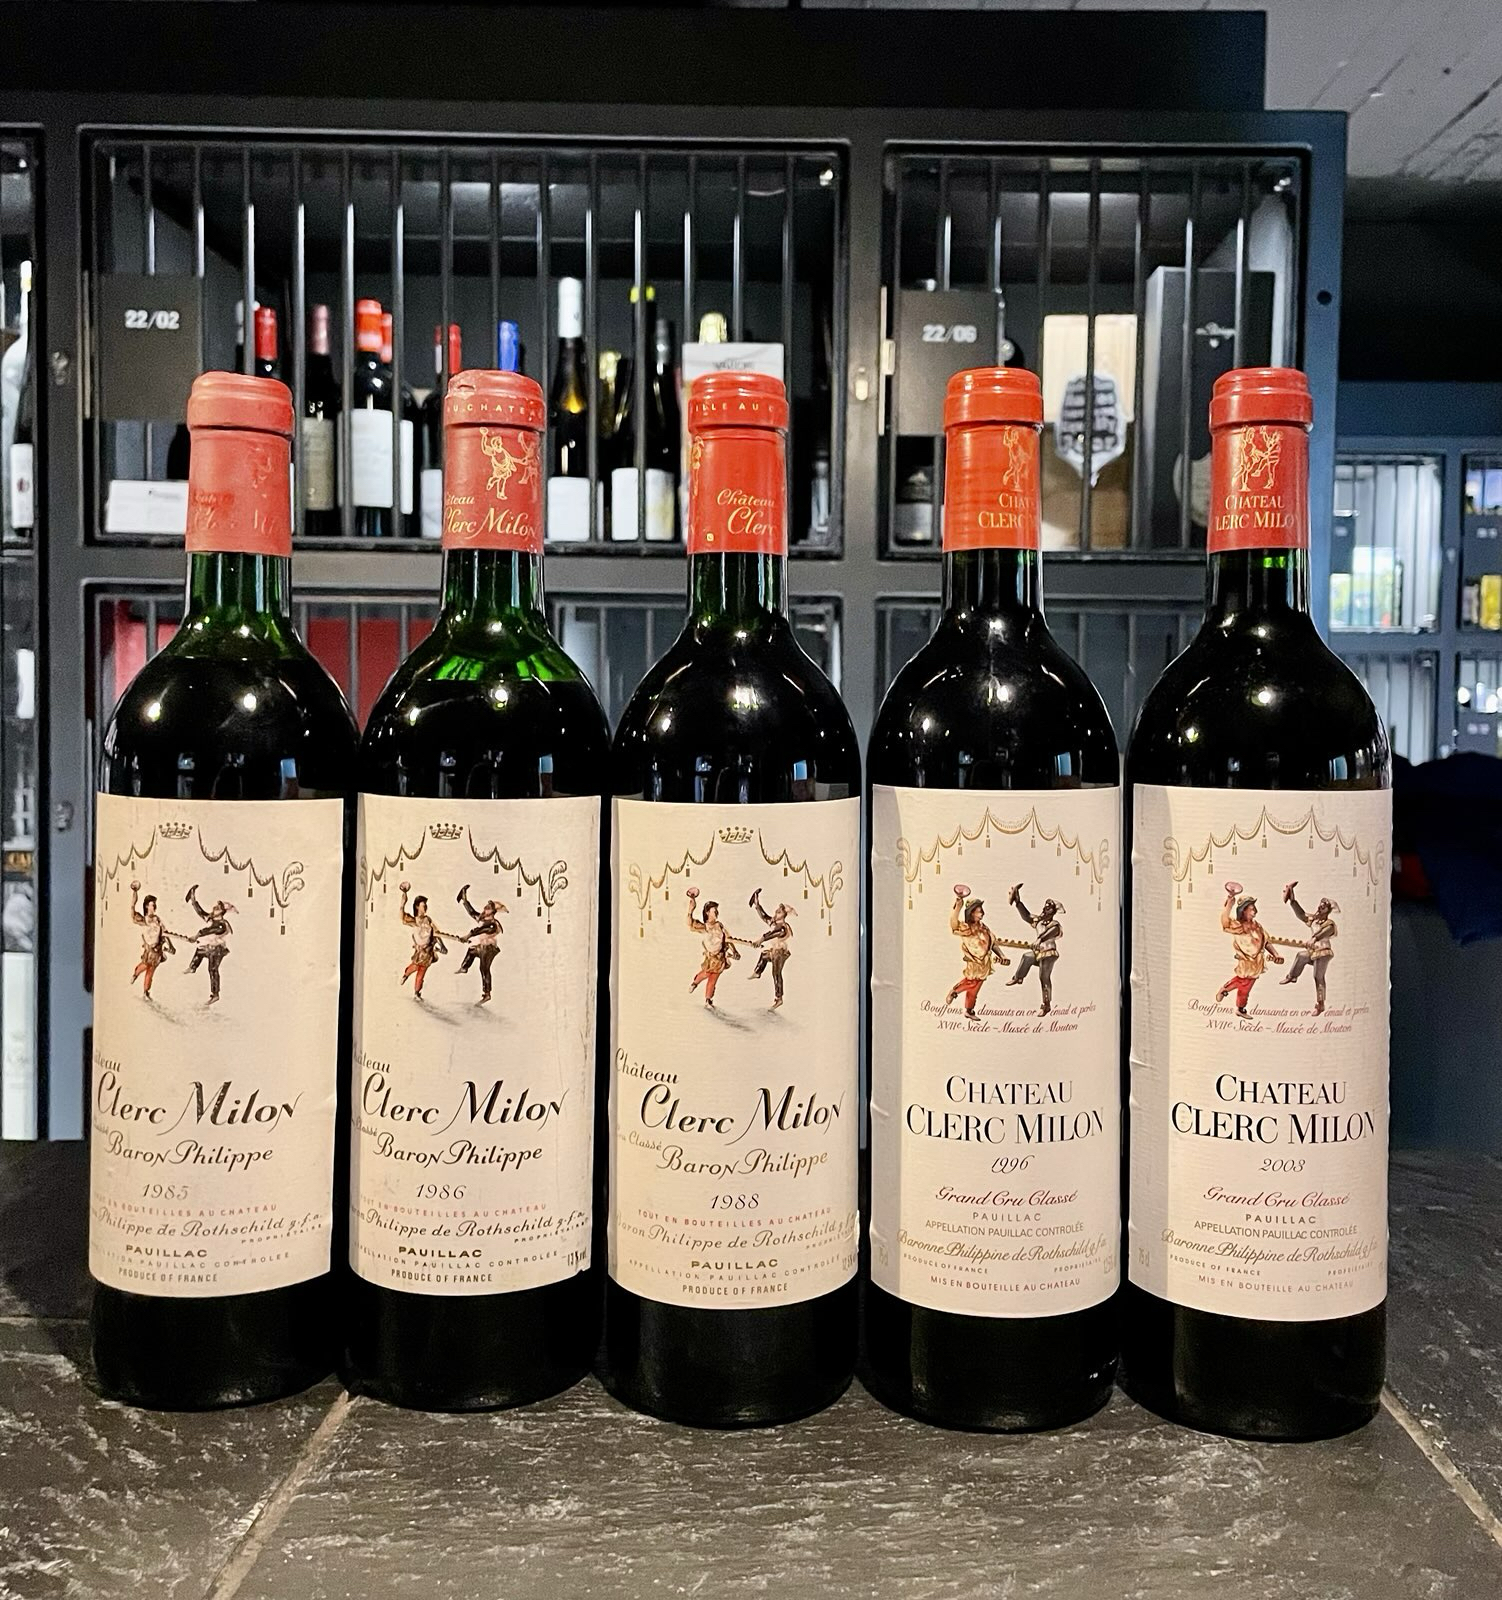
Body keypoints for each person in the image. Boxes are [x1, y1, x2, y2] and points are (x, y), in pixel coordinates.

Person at [1216, 885, 1283, 1017]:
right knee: (1245, 985)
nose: (1255, 911)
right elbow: (1225, 923)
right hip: (1246, 962)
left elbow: (1266, 942)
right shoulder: (1239, 926)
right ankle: (1239, 1007)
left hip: (1257, 963)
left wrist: (1275, 954)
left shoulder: (1257, 926)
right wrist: (1229, 905)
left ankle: (1227, 992)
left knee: (1243, 982)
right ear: (1243, 911)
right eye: (1251, 909)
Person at [945, 890, 1009, 1018]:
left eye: (982, 911)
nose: (982, 914)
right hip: (974, 962)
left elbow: (993, 944)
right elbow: (954, 925)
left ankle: (969, 1011)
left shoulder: (983, 927)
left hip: (985, 963)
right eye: (979, 911)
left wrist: (1002, 956)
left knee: (975, 989)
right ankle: (954, 991)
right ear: (971, 912)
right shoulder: (966, 928)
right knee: (971, 982)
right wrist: (957, 908)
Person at [1280, 880, 1339, 1015]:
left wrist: (1314, 939)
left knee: (1318, 977)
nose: (1319, 908)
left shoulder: (1329, 924)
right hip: (1313, 951)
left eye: (1323, 907)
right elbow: (1301, 914)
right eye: (1320, 906)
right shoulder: (1314, 920)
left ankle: (1320, 1004)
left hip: (1323, 952)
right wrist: (1292, 899)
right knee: (1301, 956)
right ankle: (1292, 976)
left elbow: (1324, 933)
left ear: (1328, 910)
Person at [1006, 883, 1063, 1017]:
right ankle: (1018, 978)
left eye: (1049, 908)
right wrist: (1018, 902)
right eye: (1045, 907)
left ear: (1053, 912)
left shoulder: (1055, 925)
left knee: (1044, 977)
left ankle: (1046, 1005)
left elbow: (1050, 933)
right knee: (1027, 957)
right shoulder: (1039, 922)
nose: (1045, 910)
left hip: (1049, 954)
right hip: (1039, 953)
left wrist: (1039, 940)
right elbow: (1026, 916)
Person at [398, 882, 455, 1001]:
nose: (426, 907)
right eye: (424, 905)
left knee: (422, 972)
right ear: (417, 907)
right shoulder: (414, 920)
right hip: (420, 951)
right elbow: (402, 917)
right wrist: (403, 903)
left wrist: (442, 946)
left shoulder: (428, 919)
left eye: (426, 905)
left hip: (428, 951)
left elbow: (436, 933)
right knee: (414, 967)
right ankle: (405, 975)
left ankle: (417, 993)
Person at [454, 884, 507, 1004]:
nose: (485, 909)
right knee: (472, 951)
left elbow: (478, 930)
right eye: (486, 907)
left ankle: (487, 994)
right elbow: (472, 912)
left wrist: (466, 937)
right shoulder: (483, 919)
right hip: (482, 947)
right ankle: (464, 967)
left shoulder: (492, 924)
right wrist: (464, 899)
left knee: (484, 968)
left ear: (493, 912)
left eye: (488, 908)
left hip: (489, 949)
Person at [183, 884, 235, 1005]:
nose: (214, 909)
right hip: (210, 947)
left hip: (217, 949)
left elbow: (208, 930)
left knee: (212, 969)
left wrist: (196, 936)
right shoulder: (212, 919)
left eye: (217, 908)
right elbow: (201, 912)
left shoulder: (222, 924)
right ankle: (193, 967)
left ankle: (215, 994)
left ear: (222, 912)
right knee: (200, 950)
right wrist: (193, 900)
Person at [687, 887, 738, 1009]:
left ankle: (708, 1000)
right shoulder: (705, 927)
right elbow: (690, 924)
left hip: (720, 958)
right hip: (710, 958)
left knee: (713, 978)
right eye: (714, 910)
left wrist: (734, 951)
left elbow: (728, 938)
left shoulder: (719, 925)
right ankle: (695, 983)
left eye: (716, 911)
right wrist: (690, 911)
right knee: (706, 973)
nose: (716, 913)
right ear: (707, 912)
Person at [747, 887, 795, 1009]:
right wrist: (757, 904)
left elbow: (771, 935)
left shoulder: (782, 927)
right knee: (764, 955)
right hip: (775, 951)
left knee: (776, 973)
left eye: (779, 912)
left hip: (780, 952)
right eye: (776, 911)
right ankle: (757, 973)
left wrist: (760, 940)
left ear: (783, 915)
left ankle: (779, 998)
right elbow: (764, 916)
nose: (776, 913)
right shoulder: (775, 923)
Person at [128, 880, 175, 1001]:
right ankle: (135, 974)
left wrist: (170, 946)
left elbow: (164, 933)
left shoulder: (157, 920)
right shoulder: (144, 920)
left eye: (154, 905)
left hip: (157, 950)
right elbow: (132, 912)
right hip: (149, 950)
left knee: (151, 970)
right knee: (144, 965)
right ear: (146, 906)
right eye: (151, 905)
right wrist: (134, 893)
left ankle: (146, 992)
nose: (153, 907)